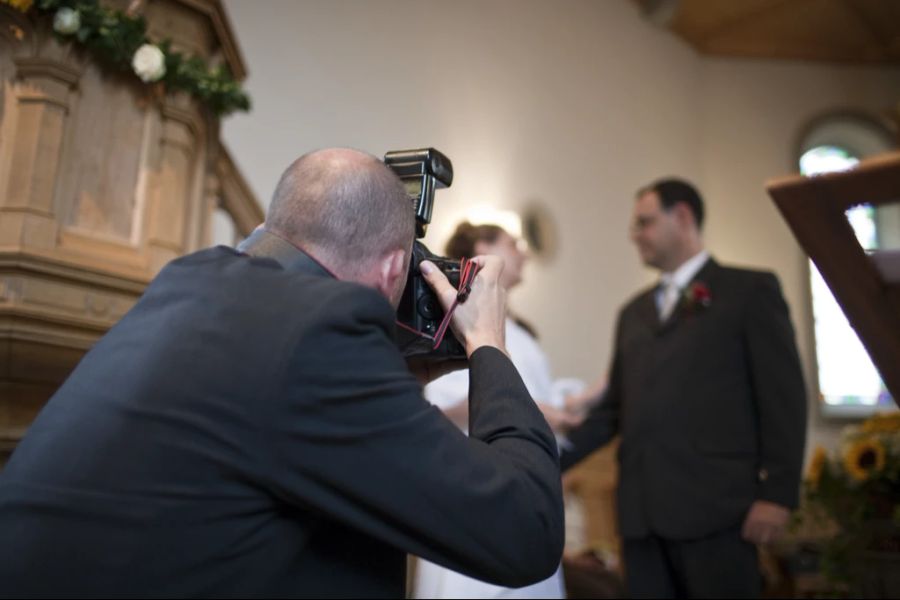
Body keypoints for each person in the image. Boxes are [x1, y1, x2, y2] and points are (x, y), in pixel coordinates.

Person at [0, 149, 565, 597]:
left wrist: (400, 378)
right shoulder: (318, 335)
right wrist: (488, 342)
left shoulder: (192, 283)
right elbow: (525, 529)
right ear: (396, 266)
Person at [559, 178, 807, 599]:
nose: (634, 234)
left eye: (644, 222)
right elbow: (615, 411)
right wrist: (545, 456)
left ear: (684, 217)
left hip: (717, 511)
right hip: (641, 515)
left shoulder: (748, 293)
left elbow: (783, 398)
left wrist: (777, 495)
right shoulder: (633, 313)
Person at [414, 222, 593, 600]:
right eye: (514, 244)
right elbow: (443, 403)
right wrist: (535, 411)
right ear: (483, 248)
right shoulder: (455, 318)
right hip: (479, 481)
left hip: (528, 474)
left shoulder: (519, 329)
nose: (524, 253)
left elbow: (539, 391)